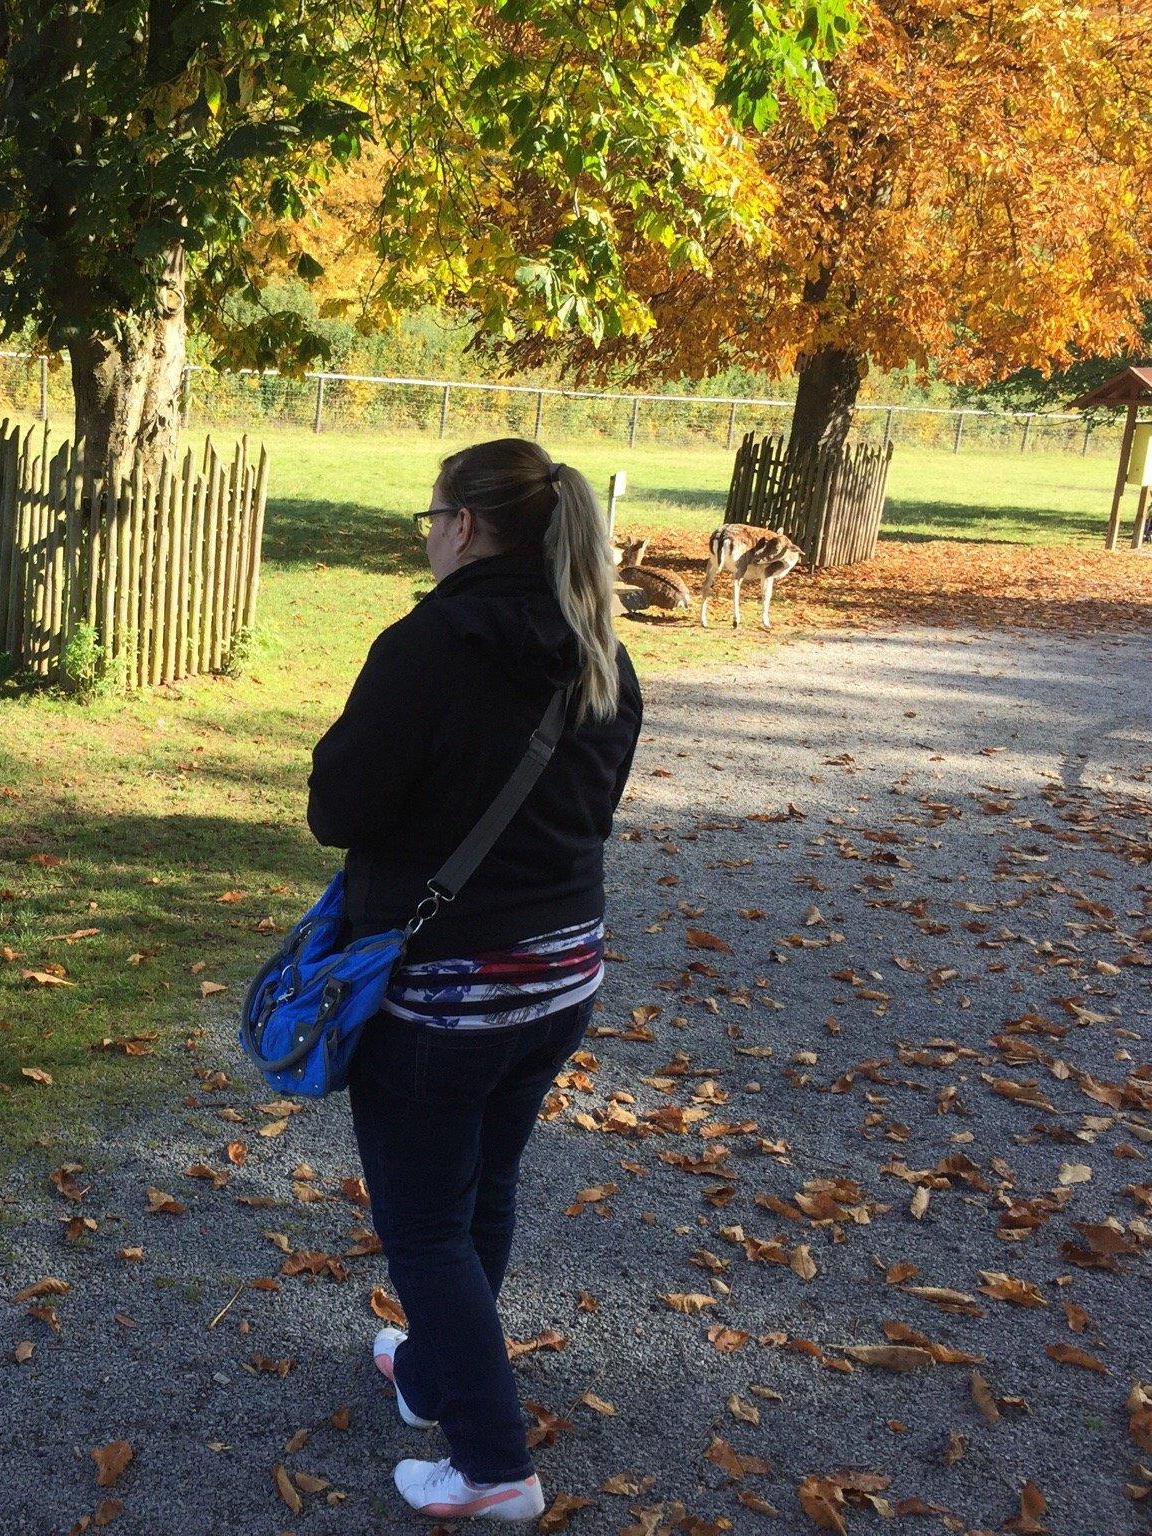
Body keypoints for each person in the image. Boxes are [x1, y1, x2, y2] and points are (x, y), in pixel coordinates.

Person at [307, 438, 642, 1523]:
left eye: (428, 519)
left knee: (423, 1228)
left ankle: (493, 1464)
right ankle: (432, 1376)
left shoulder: (426, 644)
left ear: (459, 525)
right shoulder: (598, 648)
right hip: (558, 979)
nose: (427, 537)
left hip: (445, 993)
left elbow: (337, 812)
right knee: (482, 1187)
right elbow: (587, 813)